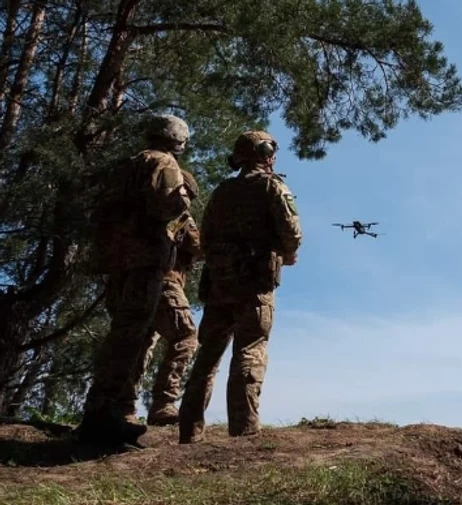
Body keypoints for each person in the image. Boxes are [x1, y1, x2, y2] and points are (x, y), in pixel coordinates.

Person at [178, 130, 301, 444]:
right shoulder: (272, 186)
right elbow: (292, 231)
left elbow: (205, 238)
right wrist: (287, 254)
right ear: (265, 153)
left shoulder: (222, 191)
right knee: (250, 350)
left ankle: (189, 430)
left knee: (207, 357)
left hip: (218, 285)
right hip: (255, 283)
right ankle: (244, 431)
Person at [76, 114, 192, 447]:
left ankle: (106, 411)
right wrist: (184, 198)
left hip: (116, 263)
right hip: (143, 260)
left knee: (124, 335)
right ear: (177, 139)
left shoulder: (126, 166)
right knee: (131, 338)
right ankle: (103, 417)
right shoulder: (162, 162)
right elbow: (167, 206)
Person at [123, 169, 203, 426]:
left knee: (141, 343)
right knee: (185, 335)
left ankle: (122, 406)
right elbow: (198, 246)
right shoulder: (179, 215)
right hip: (165, 281)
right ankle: (164, 403)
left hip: (132, 282)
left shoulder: (141, 210)